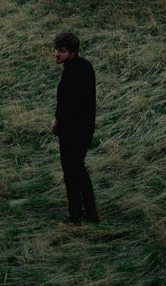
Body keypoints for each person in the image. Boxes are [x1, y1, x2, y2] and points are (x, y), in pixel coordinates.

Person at [50, 31, 100, 224]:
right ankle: (90, 210)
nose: (56, 54)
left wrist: (56, 121)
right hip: (86, 128)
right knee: (78, 168)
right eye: (56, 50)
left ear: (72, 52)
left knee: (72, 172)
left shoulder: (71, 74)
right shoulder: (85, 65)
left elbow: (66, 105)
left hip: (72, 131)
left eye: (61, 51)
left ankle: (76, 214)